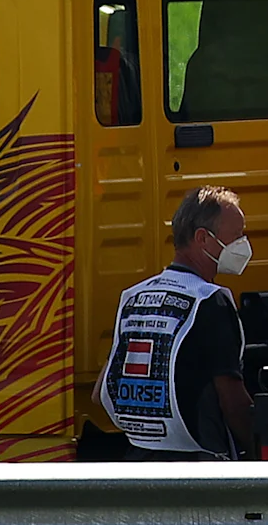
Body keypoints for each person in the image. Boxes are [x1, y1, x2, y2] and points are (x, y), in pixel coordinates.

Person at [99, 185, 257, 460]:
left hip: (137, 458)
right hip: (195, 468)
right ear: (203, 239)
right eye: (236, 237)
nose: (243, 245)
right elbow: (232, 401)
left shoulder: (134, 296)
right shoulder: (209, 301)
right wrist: (262, 450)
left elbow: (101, 393)